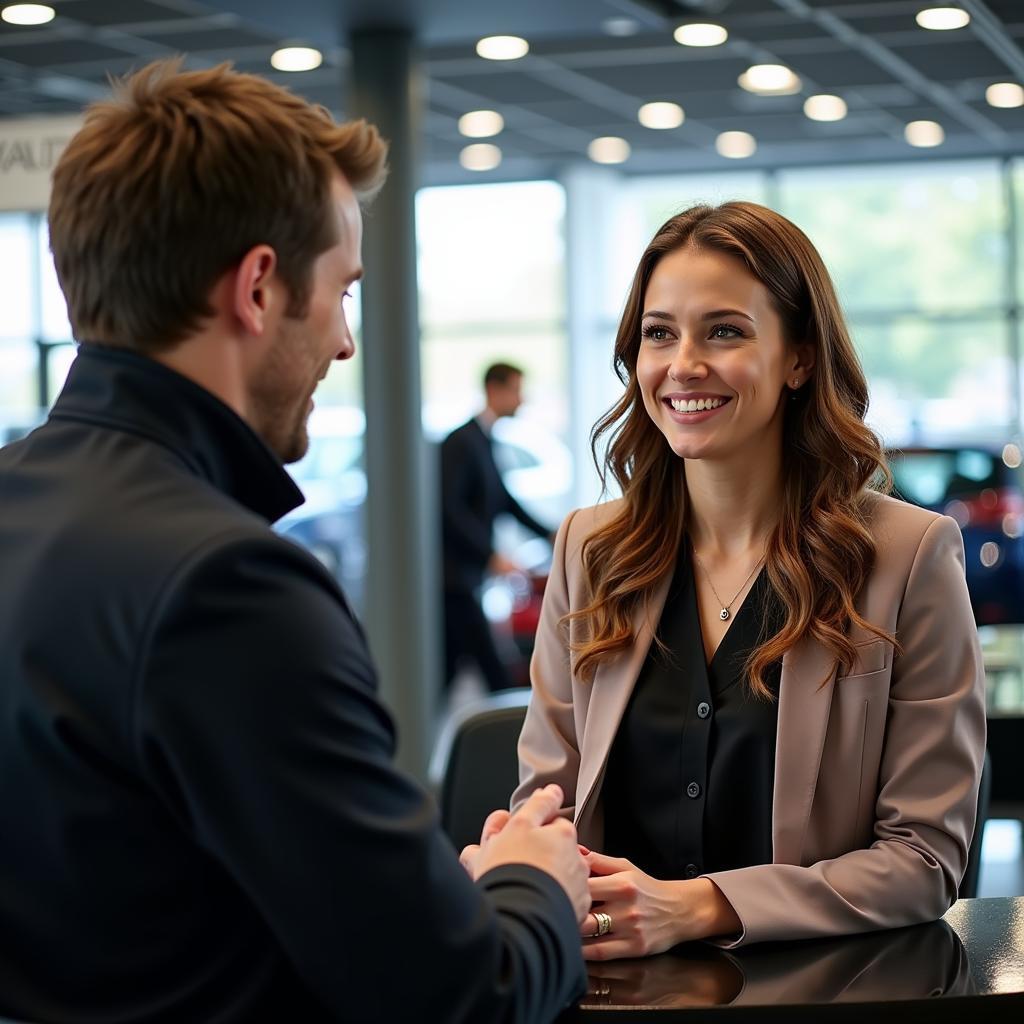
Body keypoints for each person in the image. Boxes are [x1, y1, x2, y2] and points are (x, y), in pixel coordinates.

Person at [0, 59, 589, 1023]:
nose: (347, 342)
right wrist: (533, 885)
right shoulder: (228, 584)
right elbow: (456, 996)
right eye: (344, 292)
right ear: (260, 289)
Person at [513, 201, 987, 957]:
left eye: (724, 331)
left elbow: (923, 864)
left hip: (818, 993)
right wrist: (522, 859)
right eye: (659, 333)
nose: (684, 364)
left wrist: (699, 907)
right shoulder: (587, 549)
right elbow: (548, 810)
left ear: (799, 357)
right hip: (614, 992)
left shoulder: (908, 554)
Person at [441, 363, 552, 692]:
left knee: (449, 669)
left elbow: (504, 502)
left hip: (467, 580)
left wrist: (552, 533)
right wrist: (490, 555)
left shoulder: (484, 440)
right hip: (454, 579)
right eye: (516, 391)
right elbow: (449, 510)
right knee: (494, 672)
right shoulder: (461, 442)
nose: (521, 400)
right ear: (494, 390)